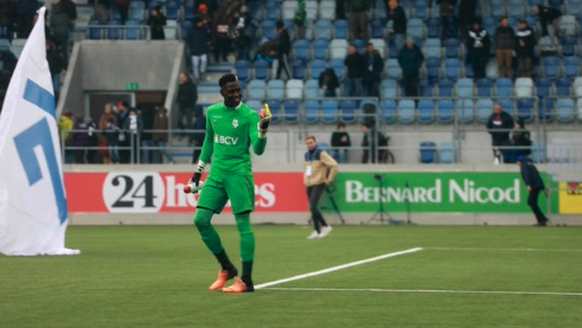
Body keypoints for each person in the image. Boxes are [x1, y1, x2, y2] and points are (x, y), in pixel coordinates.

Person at [188, 74, 271, 294]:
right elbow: (208, 140)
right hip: (216, 174)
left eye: (238, 90)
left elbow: (259, 149)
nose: (236, 94)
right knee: (200, 220)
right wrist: (199, 170)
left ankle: (247, 280)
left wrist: (263, 130)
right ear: (222, 93)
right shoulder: (213, 113)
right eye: (231, 91)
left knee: (243, 225)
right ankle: (226, 267)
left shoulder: (249, 116)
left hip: (239, 174)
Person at [303, 135, 338, 240]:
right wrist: (305, 180)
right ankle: (316, 231)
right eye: (307, 143)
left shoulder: (321, 153)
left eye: (311, 142)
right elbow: (306, 170)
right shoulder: (306, 155)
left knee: (313, 207)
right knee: (312, 208)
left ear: (315, 142)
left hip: (319, 183)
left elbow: (334, 165)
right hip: (309, 183)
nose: (309, 145)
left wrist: (329, 179)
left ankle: (325, 226)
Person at [516, 156, 549, 227]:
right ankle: (542, 219)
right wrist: (543, 188)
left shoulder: (524, 166)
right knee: (532, 202)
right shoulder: (531, 165)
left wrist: (528, 184)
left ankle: (542, 219)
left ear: (520, 161)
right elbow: (538, 176)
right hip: (538, 185)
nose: (516, 163)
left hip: (534, 186)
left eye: (517, 162)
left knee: (531, 202)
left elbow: (526, 174)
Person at [188, 16, 210, 81]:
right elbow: (188, 39)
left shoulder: (205, 29)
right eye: (199, 23)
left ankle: (202, 72)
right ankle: (196, 77)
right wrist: (191, 47)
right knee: (195, 65)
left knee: (204, 61)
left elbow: (208, 37)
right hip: (194, 50)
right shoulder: (191, 30)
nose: (200, 24)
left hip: (203, 49)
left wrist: (207, 43)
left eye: (201, 22)